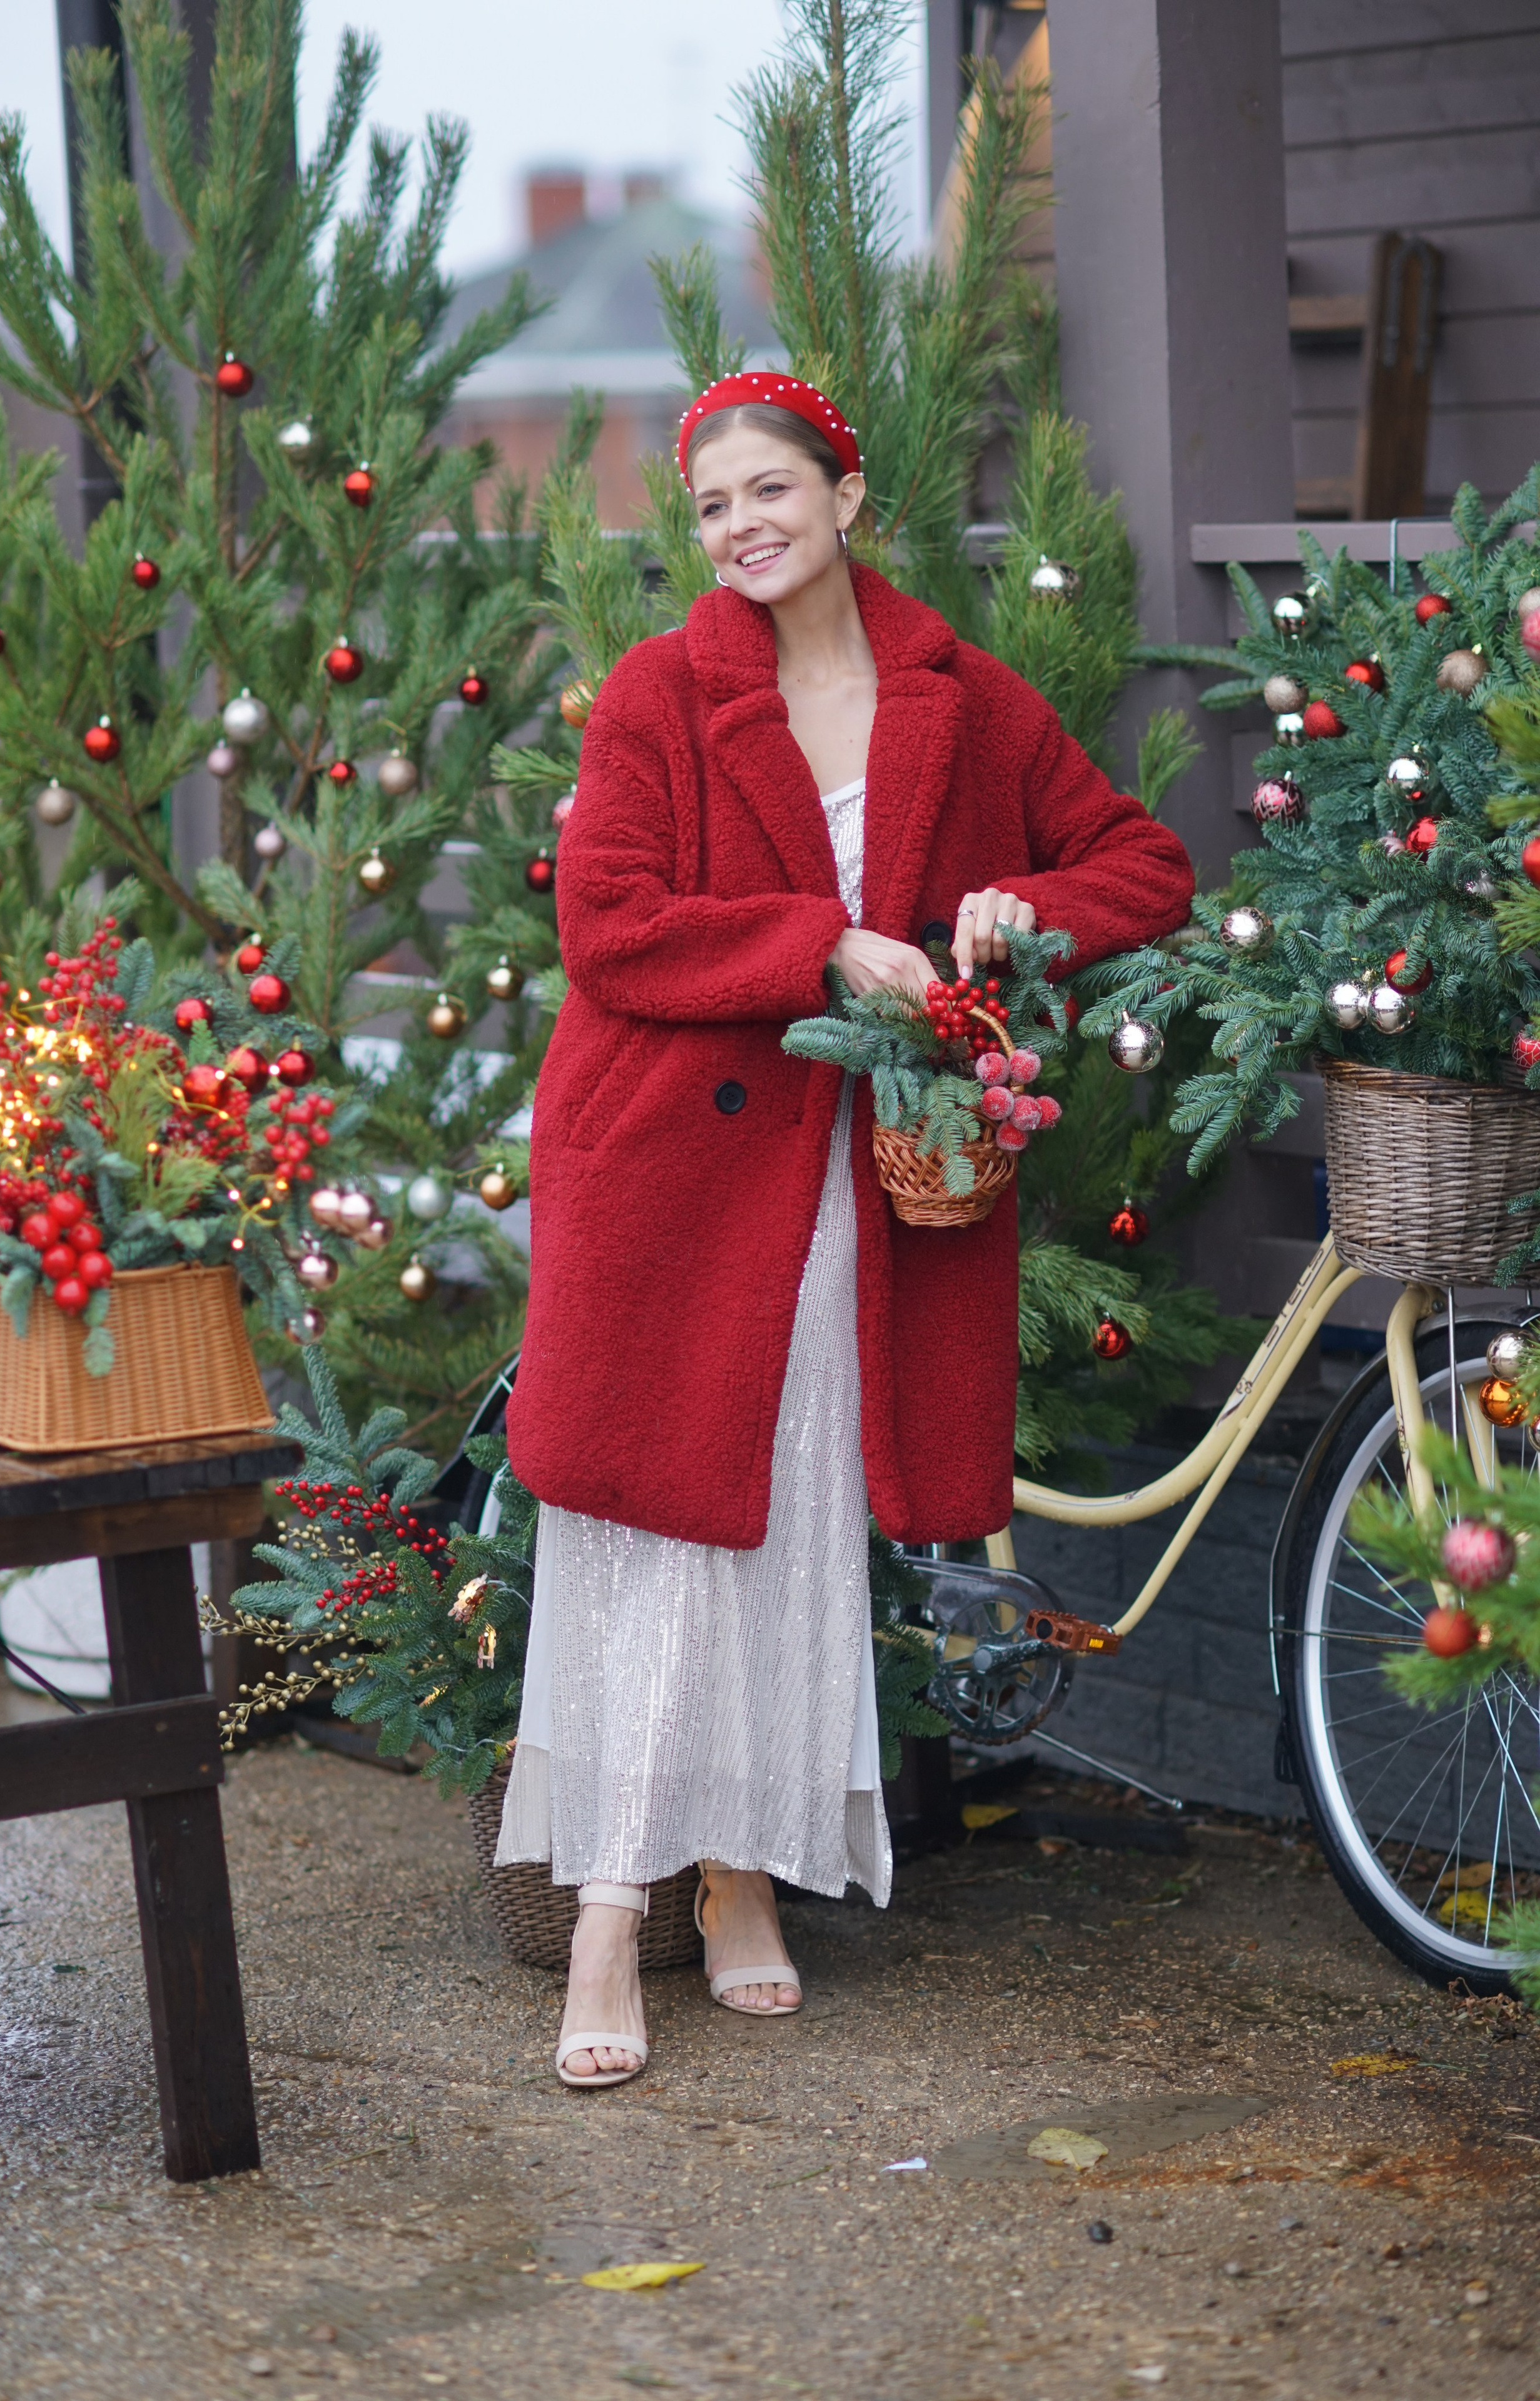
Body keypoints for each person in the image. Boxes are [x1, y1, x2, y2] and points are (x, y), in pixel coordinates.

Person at [497, 373, 1194, 2088]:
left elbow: (1143, 862)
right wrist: (820, 943)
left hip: (863, 1190)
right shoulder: (660, 694)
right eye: (713, 504)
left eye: (769, 492)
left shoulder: (960, 694)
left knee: (795, 1514)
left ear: (848, 494)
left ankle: (746, 1881)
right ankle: (608, 1905)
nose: (742, 526)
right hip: (672, 1177)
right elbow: (610, 929)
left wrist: (1025, 908)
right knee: (657, 1535)